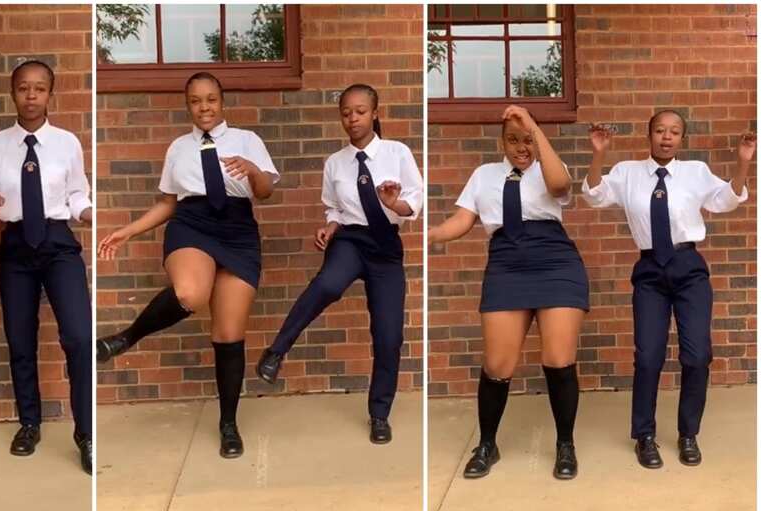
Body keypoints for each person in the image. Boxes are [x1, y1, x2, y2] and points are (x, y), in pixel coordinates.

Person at [96, 72, 278, 459]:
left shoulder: (247, 141)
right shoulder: (179, 147)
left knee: (229, 333)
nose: (204, 107)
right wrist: (127, 232)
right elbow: (168, 203)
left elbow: (265, 193)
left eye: (211, 99)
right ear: (188, 106)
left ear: (222, 101)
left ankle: (228, 423)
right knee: (189, 294)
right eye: (196, 101)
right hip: (192, 225)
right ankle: (125, 338)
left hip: (238, 231)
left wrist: (252, 169)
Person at [583, 110, 755, 468]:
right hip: (649, 271)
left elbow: (726, 200)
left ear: (681, 138)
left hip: (689, 268)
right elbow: (595, 195)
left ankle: (687, 433)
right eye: (660, 130)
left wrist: (742, 164)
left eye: (674, 132)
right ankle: (644, 435)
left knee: (696, 356)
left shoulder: (695, 172)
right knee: (648, 357)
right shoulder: (628, 173)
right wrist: (599, 152)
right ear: (649, 135)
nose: (667, 137)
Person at [255, 83, 423, 445]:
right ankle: (275, 352)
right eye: (346, 113)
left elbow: (414, 203)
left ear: (375, 113)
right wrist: (329, 226)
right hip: (350, 240)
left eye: (360, 111)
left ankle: (379, 414)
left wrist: (394, 204)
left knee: (389, 335)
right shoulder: (335, 162)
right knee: (328, 284)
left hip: (385, 248)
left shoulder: (397, 153)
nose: (353, 119)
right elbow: (334, 206)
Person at [427, 106, 588, 480]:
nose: (522, 147)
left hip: (556, 264)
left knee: (557, 358)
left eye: (527, 139)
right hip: (506, 267)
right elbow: (463, 220)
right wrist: (433, 235)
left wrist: (534, 125)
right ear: (501, 141)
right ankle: (487, 444)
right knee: (498, 365)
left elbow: (561, 187)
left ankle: (566, 444)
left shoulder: (549, 166)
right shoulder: (484, 175)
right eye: (513, 140)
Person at [0, 60, 93, 474]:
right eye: (24, 88)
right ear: (13, 93)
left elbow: (76, 193)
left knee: (78, 336)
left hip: (58, 244)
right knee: (20, 340)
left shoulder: (66, 143)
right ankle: (29, 423)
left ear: (50, 94)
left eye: (40, 88)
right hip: (17, 247)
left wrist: (87, 212)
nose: (32, 95)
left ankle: (86, 432)